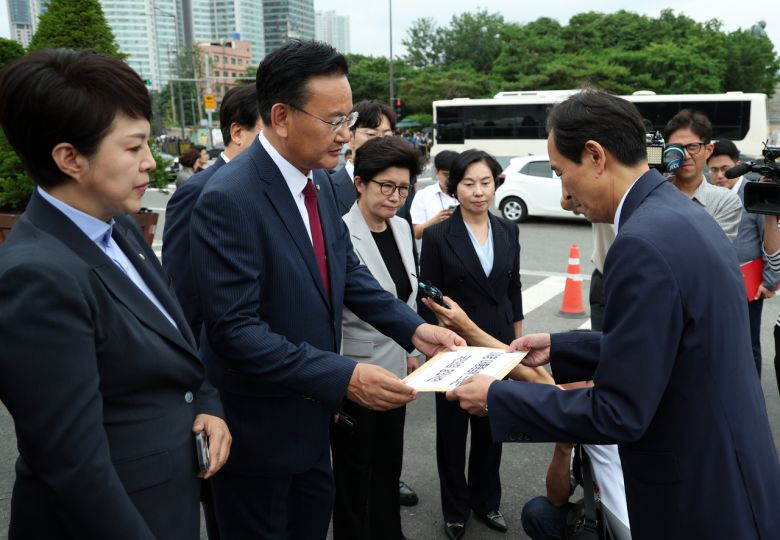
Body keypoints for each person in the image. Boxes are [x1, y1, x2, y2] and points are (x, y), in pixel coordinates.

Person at [447, 89, 780, 539]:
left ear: (596, 155)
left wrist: (498, 398)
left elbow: (618, 411)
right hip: (731, 467)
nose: (565, 197)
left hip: (694, 494)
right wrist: (562, 347)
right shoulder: (680, 213)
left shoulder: (639, 243)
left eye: (564, 174)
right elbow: (672, 344)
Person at [189, 40, 464, 540]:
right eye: (335, 121)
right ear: (281, 116)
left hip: (314, 427)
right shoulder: (231, 198)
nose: (346, 135)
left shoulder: (312, 184)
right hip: (262, 437)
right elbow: (235, 331)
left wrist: (417, 330)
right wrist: (345, 376)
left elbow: (350, 275)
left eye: (349, 118)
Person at [0, 48, 231, 539]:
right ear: (69, 158)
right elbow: (74, 467)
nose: (151, 162)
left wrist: (207, 401)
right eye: (133, 148)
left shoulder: (117, 226)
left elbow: (173, 339)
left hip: (169, 500)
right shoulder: (37, 277)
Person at [418, 149, 523, 540]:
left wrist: (518, 344)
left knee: (491, 426)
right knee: (451, 432)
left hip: (498, 343)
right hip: (453, 345)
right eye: (468, 183)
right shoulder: (438, 235)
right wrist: (430, 350)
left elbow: (513, 290)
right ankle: (455, 509)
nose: (479, 192)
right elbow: (427, 298)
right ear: (452, 187)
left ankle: (486, 500)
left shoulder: (508, 230)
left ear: (496, 183)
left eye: (486, 182)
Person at [331, 136, 423, 540]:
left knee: (389, 465)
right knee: (354, 474)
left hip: (397, 372)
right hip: (355, 374)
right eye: (386, 185)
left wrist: (412, 352)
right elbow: (328, 315)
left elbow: (407, 298)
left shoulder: (402, 228)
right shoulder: (337, 233)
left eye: (403, 188)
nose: (395, 197)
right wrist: (331, 387)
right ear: (360, 183)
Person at [163, 83, 262, 346]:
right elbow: (183, 285)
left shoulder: (267, 185)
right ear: (238, 133)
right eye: (270, 134)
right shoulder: (198, 191)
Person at [707, 139, 777, 376]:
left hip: (749, 285)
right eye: (713, 169)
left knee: (748, 345)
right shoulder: (708, 194)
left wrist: (769, 281)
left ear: (737, 165)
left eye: (725, 169)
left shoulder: (754, 193)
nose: (719, 175)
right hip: (715, 284)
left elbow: (768, 236)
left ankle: (752, 398)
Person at [663, 109, 742, 241]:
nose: (685, 156)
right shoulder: (653, 191)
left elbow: (714, 251)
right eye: (676, 148)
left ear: (708, 150)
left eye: (692, 147)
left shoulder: (724, 201)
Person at [331, 99, 396, 215]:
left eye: (387, 136)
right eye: (371, 134)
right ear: (350, 138)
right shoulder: (327, 189)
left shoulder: (399, 189)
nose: (380, 142)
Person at [409, 150, 459, 239]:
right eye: (446, 174)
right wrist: (435, 220)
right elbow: (417, 233)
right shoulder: (423, 195)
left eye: (454, 175)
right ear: (436, 172)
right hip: (434, 250)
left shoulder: (466, 194)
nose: (449, 179)